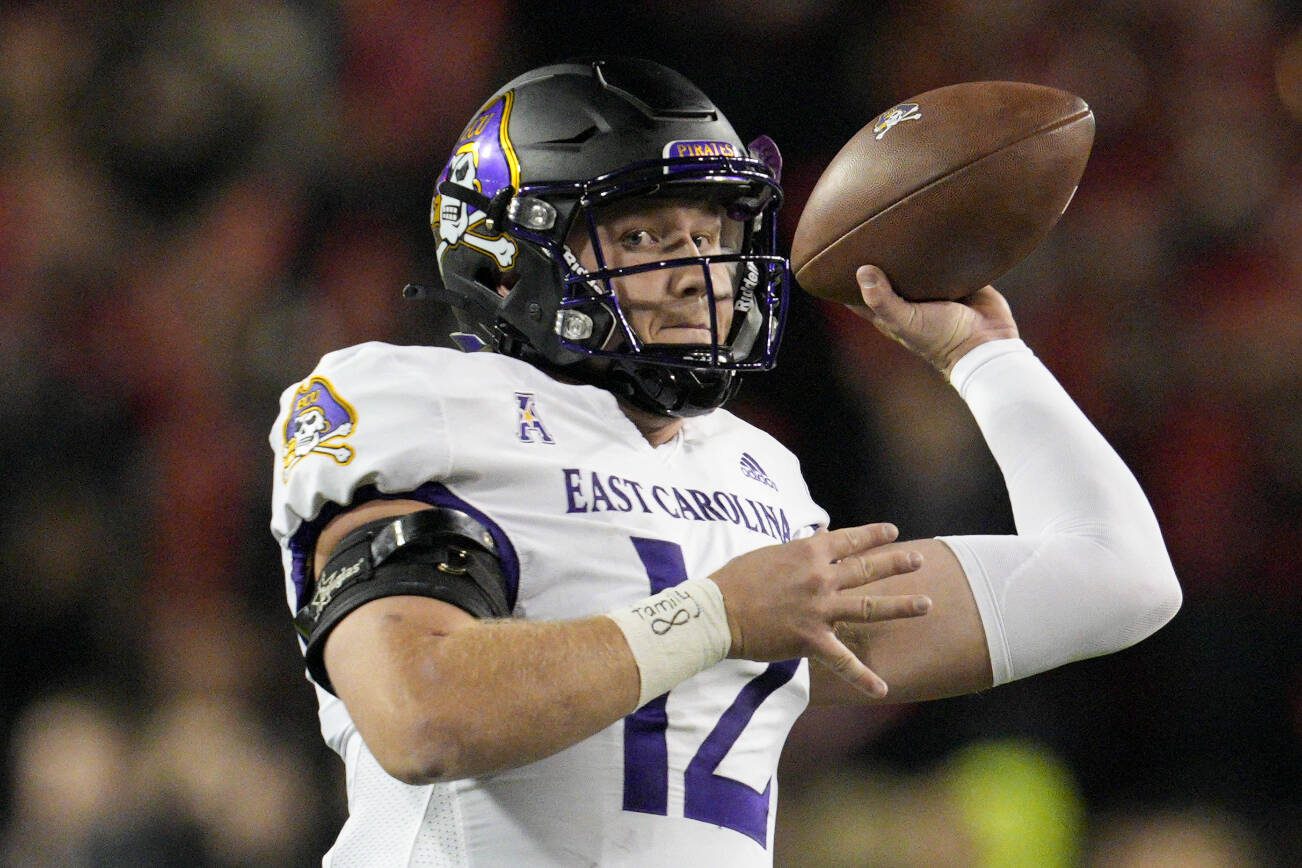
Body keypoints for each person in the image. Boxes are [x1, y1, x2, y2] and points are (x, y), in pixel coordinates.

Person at [270, 59, 1181, 866]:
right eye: (642, 238)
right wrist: (716, 617)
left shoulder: (755, 479)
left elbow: (1119, 576)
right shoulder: (416, 402)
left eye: (712, 235)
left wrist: (981, 357)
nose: (697, 274)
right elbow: (421, 712)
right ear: (505, 262)